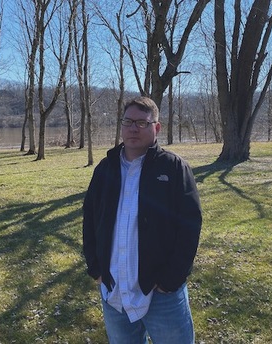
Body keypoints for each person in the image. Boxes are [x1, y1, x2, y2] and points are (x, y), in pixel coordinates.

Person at [82, 96, 202, 343]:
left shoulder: (174, 168)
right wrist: (96, 269)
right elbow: (90, 220)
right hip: (114, 293)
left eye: (142, 122)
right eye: (127, 121)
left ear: (156, 128)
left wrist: (170, 280)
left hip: (161, 295)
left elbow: (190, 227)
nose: (133, 128)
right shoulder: (105, 169)